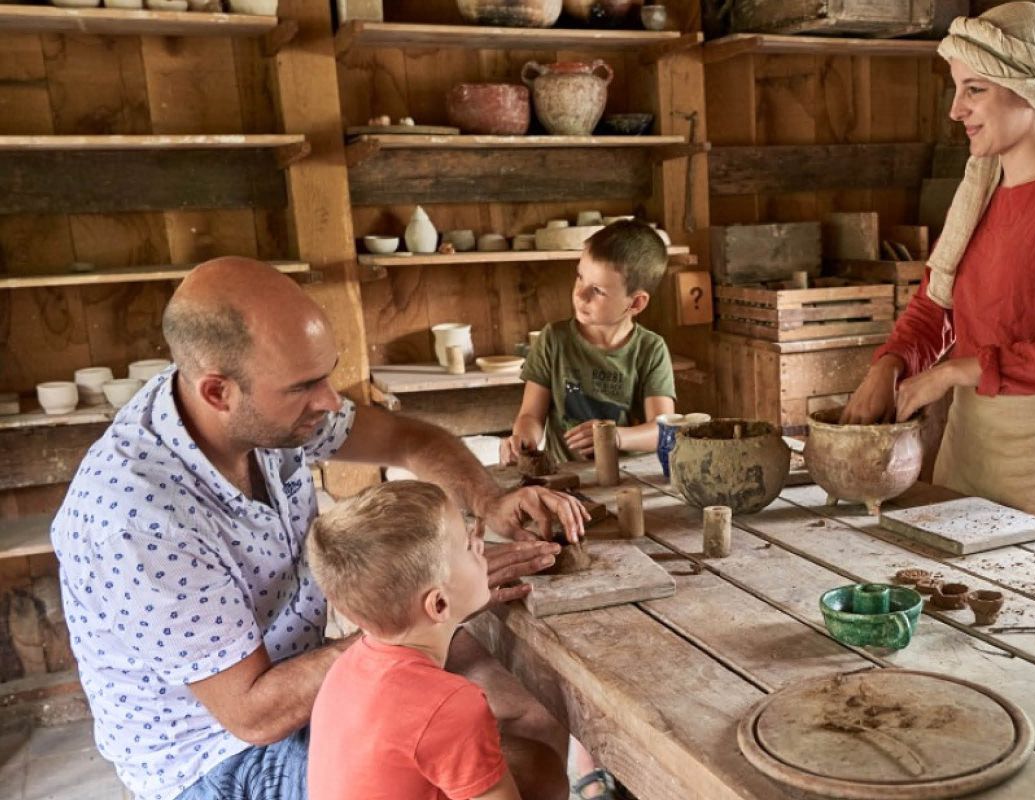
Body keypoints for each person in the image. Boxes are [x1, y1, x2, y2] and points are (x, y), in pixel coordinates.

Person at [50, 257, 583, 800]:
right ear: (218, 392)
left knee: (532, 700)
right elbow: (252, 715)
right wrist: (423, 606)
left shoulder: (265, 409)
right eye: (306, 385)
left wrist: (489, 501)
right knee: (503, 768)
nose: (329, 401)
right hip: (216, 761)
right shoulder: (136, 518)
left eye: (327, 373)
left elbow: (409, 441)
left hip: (299, 674)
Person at [840, 2, 1035, 537]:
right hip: (970, 442)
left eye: (974, 89)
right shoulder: (981, 189)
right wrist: (887, 368)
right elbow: (935, 307)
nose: (957, 110)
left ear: (1028, 89)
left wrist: (952, 372)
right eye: (957, 89)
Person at [307, 480, 519, 800]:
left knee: (530, 764)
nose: (480, 545)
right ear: (439, 605)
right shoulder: (451, 705)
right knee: (534, 765)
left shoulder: (345, 669)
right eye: (466, 545)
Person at [502, 220, 676, 467]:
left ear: (635, 304)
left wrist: (613, 436)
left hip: (629, 475)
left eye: (598, 291)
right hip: (567, 474)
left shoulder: (650, 349)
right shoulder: (553, 339)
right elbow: (530, 415)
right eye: (580, 277)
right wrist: (522, 440)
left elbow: (662, 428)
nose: (580, 295)